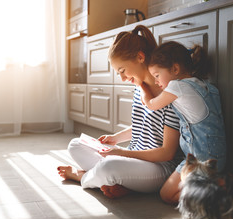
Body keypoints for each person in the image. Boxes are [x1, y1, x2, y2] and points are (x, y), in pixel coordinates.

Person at [57, 25, 184, 199]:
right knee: (76, 144)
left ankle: (82, 176)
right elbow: (142, 126)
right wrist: (116, 139)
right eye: (119, 73)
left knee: (109, 167)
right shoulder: (139, 88)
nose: (123, 78)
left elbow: (167, 152)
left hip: (159, 167)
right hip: (135, 158)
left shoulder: (168, 92)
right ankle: (122, 182)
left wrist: (121, 153)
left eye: (123, 71)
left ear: (140, 57)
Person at [140, 41, 227, 203]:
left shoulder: (176, 86)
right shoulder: (207, 87)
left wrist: (143, 90)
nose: (157, 82)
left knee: (166, 194)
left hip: (199, 160)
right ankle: (213, 183)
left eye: (157, 76)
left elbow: (151, 105)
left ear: (175, 69)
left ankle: (214, 186)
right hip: (219, 158)